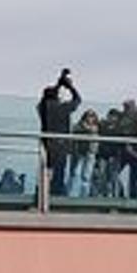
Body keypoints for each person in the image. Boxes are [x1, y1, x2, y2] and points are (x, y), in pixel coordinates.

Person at [36, 68, 81, 198]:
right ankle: (56, 196)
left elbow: (46, 97)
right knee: (59, 172)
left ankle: (43, 194)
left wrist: (59, 83)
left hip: (46, 143)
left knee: (46, 170)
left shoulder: (43, 108)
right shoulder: (62, 108)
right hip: (60, 145)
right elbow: (78, 100)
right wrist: (69, 86)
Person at [68, 109, 100, 194]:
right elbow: (74, 132)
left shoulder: (96, 127)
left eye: (92, 116)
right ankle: (70, 193)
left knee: (86, 176)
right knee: (74, 174)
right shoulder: (78, 126)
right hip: (78, 152)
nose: (90, 118)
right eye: (89, 116)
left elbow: (94, 135)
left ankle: (83, 195)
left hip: (90, 153)